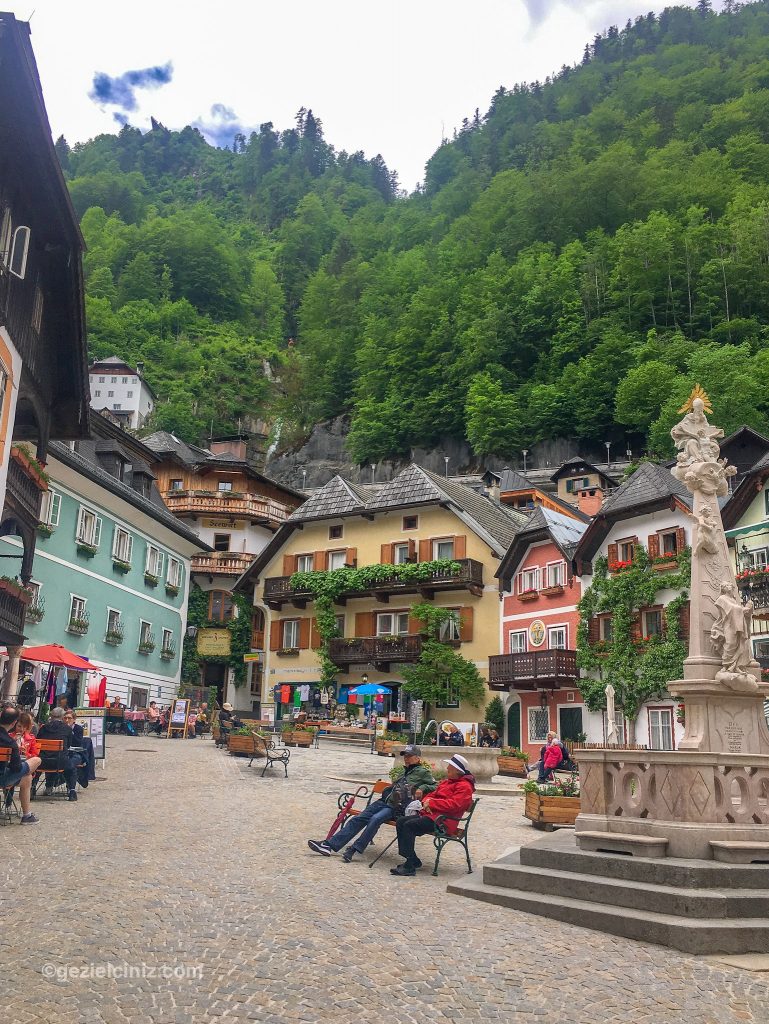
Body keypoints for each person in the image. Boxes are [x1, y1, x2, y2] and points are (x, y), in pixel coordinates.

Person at [308, 745, 436, 863]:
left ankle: (354, 849)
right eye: (405, 756)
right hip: (383, 802)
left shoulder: (423, 772)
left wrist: (423, 788)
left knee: (375, 819)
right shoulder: (404, 771)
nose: (406, 758)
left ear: (417, 758)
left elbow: (435, 785)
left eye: (409, 756)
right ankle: (328, 846)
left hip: (395, 807)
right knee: (358, 818)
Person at [390, 754, 476, 876]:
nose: (447, 769)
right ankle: (413, 860)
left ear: (457, 771)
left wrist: (432, 803)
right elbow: (432, 794)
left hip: (444, 821)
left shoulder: (464, 786)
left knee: (409, 826)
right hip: (431, 816)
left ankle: (409, 866)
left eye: (450, 768)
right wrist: (427, 801)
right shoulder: (447, 782)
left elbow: (454, 805)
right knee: (401, 821)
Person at [0, 706, 41, 823]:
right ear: (13, 723)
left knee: (27, 778)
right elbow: (16, 767)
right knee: (36, 760)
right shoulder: (9, 741)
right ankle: (26, 816)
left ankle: (27, 815)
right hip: (2, 777)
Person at [37, 707, 80, 800]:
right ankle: (72, 791)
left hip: (42, 762)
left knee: (37, 764)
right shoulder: (67, 729)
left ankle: (32, 788)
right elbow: (68, 745)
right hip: (60, 762)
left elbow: (37, 743)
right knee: (72, 768)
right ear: (62, 716)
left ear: (51, 716)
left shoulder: (43, 728)